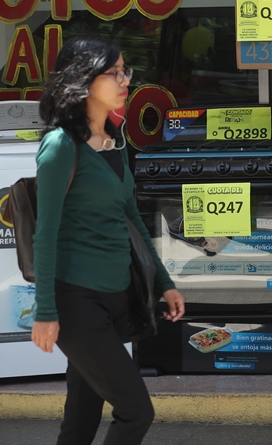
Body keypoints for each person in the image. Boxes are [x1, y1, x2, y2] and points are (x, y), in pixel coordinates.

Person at [32, 35, 186, 445]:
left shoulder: (113, 142)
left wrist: (164, 283)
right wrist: (45, 310)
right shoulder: (61, 146)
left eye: (125, 72)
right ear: (83, 80)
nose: (125, 81)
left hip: (115, 298)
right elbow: (44, 234)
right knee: (136, 411)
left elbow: (131, 218)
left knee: (81, 420)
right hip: (76, 302)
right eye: (114, 73)